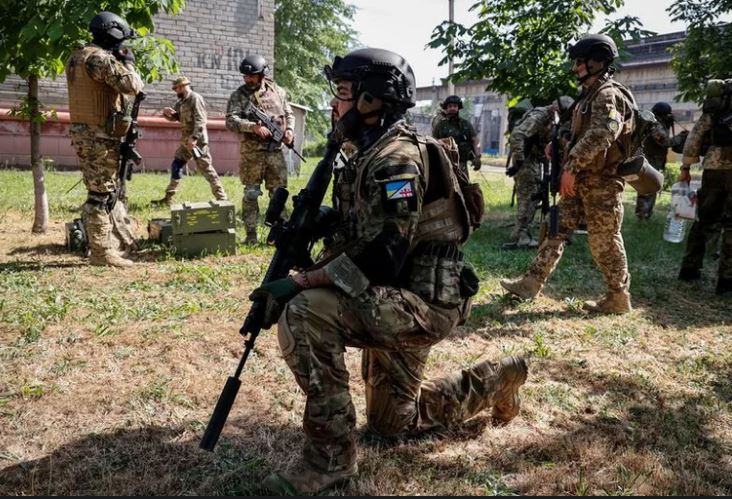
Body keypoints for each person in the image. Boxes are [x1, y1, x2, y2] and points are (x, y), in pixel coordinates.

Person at [248, 48, 528, 495]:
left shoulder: (396, 159)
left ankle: (329, 460)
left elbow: (386, 253)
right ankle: (500, 377)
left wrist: (301, 282)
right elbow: (368, 228)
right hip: (388, 297)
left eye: (342, 94)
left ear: (370, 100)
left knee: (304, 310)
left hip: (420, 304)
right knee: (392, 426)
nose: (334, 106)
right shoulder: (368, 151)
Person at [500, 33, 635, 314]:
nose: (575, 68)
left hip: (602, 182)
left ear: (597, 62)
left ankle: (618, 297)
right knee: (554, 226)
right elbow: (582, 133)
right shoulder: (589, 95)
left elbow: (603, 134)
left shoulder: (607, 94)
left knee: (604, 241)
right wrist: (558, 143)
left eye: (580, 62)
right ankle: (531, 283)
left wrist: (571, 168)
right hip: (584, 179)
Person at [65, 11, 143, 268]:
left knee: (102, 190)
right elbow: (132, 85)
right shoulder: (99, 58)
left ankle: (108, 242)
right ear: (112, 34)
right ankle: (101, 253)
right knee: (100, 195)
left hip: (86, 134)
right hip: (98, 137)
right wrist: (129, 62)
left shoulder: (77, 56)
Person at [225, 55, 295, 245]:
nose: (248, 79)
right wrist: (252, 127)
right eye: (245, 76)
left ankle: (280, 234)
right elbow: (230, 121)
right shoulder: (239, 95)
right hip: (252, 154)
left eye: (252, 76)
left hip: (275, 152)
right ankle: (251, 235)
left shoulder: (278, 91)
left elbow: (288, 113)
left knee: (278, 193)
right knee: (251, 194)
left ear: (262, 74)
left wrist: (289, 130)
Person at [677, 97, 732, 295]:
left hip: (714, 168)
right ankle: (726, 281)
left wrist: (685, 167)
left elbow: (695, 136)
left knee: (703, 219)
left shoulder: (718, 104)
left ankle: (689, 269)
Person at [505, 96, 574, 248]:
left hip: (537, 158)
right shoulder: (539, 116)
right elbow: (517, 135)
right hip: (527, 159)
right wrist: (520, 160)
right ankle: (520, 236)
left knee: (535, 194)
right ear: (556, 109)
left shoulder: (554, 120)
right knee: (529, 195)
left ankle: (522, 233)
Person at [151, 76, 227, 205]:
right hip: (186, 142)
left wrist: (194, 138)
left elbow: (201, 120)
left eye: (176, 89)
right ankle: (168, 198)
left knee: (206, 169)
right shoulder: (181, 102)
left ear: (182, 87)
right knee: (176, 165)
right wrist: (166, 113)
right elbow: (176, 118)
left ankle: (222, 198)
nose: (176, 92)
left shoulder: (195, 98)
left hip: (198, 143)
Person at [635, 102, 673, 220]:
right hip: (651, 160)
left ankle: (645, 215)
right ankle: (643, 215)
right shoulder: (655, 124)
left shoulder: (654, 122)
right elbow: (664, 141)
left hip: (652, 159)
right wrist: (681, 138)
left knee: (650, 187)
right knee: (648, 188)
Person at [432, 95, 482, 175]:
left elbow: (475, 140)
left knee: (463, 184)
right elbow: (433, 142)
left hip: (461, 163)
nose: (452, 108)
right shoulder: (440, 125)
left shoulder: (466, 124)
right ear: (446, 108)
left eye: (455, 106)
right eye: (450, 106)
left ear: (458, 108)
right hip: (444, 162)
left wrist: (477, 157)